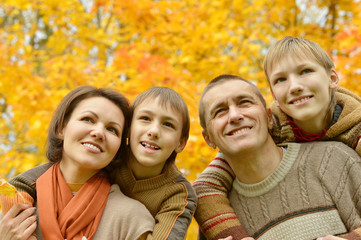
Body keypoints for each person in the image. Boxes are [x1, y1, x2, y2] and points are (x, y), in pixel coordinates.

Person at [193, 36, 361, 239]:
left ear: (333, 78)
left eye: (305, 71)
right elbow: (203, 187)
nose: (294, 86)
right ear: (275, 99)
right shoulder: (274, 126)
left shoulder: (341, 154)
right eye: (281, 79)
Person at [1, 86, 197, 240]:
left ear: (120, 143)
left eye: (112, 130)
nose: (98, 133)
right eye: (87, 119)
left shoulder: (133, 217)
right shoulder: (17, 204)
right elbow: (15, 186)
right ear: (62, 127)